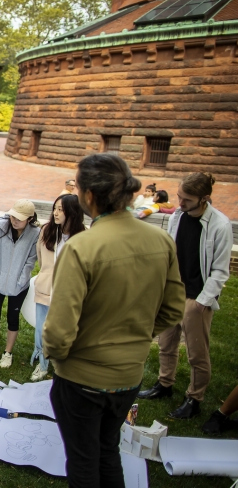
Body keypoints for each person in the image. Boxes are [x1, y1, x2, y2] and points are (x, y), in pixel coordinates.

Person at [42, 154, 184, 488]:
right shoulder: (161, 240)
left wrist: (59, 355)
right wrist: (136, 336)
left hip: (81, 379)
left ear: (89, 195)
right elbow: (174, 308)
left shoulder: (81, 247)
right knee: (107, 452)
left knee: (84, 461)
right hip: (129, 375)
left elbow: (59, 332)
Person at [137, 172, 233, 419]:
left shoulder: (220, 225)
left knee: (196, 354)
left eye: (186, 199)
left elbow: (221, 271)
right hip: (173, 293)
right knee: (166, 345)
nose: (180, 203)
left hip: (197, 299)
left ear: (204, 199)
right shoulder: (178, 216)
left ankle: (194, 398)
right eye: (179, 196)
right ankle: (164, 384)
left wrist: (201, 303)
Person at [29, 194, 85, 381]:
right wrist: (46, 275)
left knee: (66, 331)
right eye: (55, 208)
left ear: (73, 212)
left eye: (61, 209)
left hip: (69, 293)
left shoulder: (84, 236)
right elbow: (39, 255)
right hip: (46, 287)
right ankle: (42, 364)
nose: (56, 213)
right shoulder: (47, 231)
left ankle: (64, 365)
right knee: (42, 329)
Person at [0, 199, 40, 368]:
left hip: (19, 285)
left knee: (13, 318)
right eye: (13, 216)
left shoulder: (35, 233)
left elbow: (31, 260)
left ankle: (8, 353)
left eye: (19, 218)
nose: (14, 220)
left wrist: (21, 281)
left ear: (30, 219)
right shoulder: (0, 226)